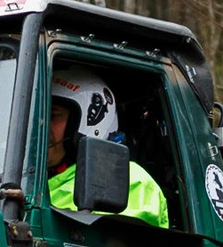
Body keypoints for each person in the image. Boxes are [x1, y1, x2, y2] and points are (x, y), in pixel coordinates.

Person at [47, 68, 170, 227]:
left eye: (52, 116)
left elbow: (112, 240)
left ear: (90, 122)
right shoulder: (30, 180)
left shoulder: (130, 181)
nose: (40, 124)